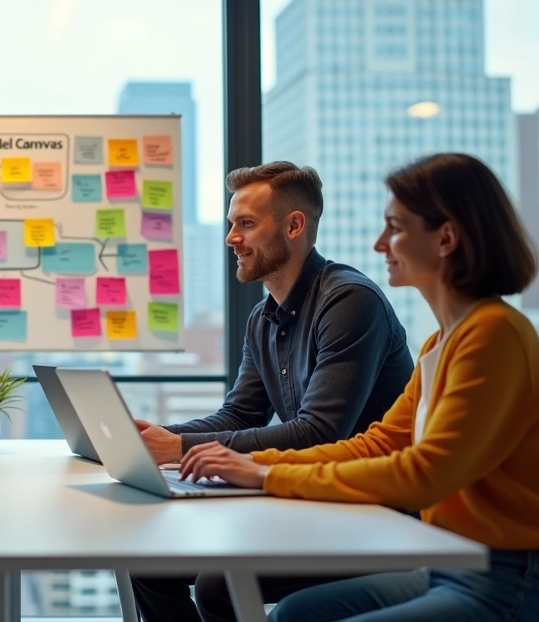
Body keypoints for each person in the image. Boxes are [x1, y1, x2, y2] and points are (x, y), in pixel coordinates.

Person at [182, 153, 539, 622]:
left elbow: (424, 473)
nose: (379, 244)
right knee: (292, 613)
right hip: (451, 563)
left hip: (517, 577)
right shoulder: (444, 341)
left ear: (446, 238)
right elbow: (377, 443)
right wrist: (256, 463)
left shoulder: (495, 334)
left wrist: (266, 474)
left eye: (394, 228)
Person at [130, 161, 415, 622]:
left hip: (374, 512)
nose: (230, 239)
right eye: (230, 224)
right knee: (149, 560)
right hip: (310, 500)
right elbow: (239, 416)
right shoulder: (263, 319)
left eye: (246, 224)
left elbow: (320, 433)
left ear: (294, 226)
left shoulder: (349, 301)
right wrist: (155, 436)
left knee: (217, 585)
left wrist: (178, 447)